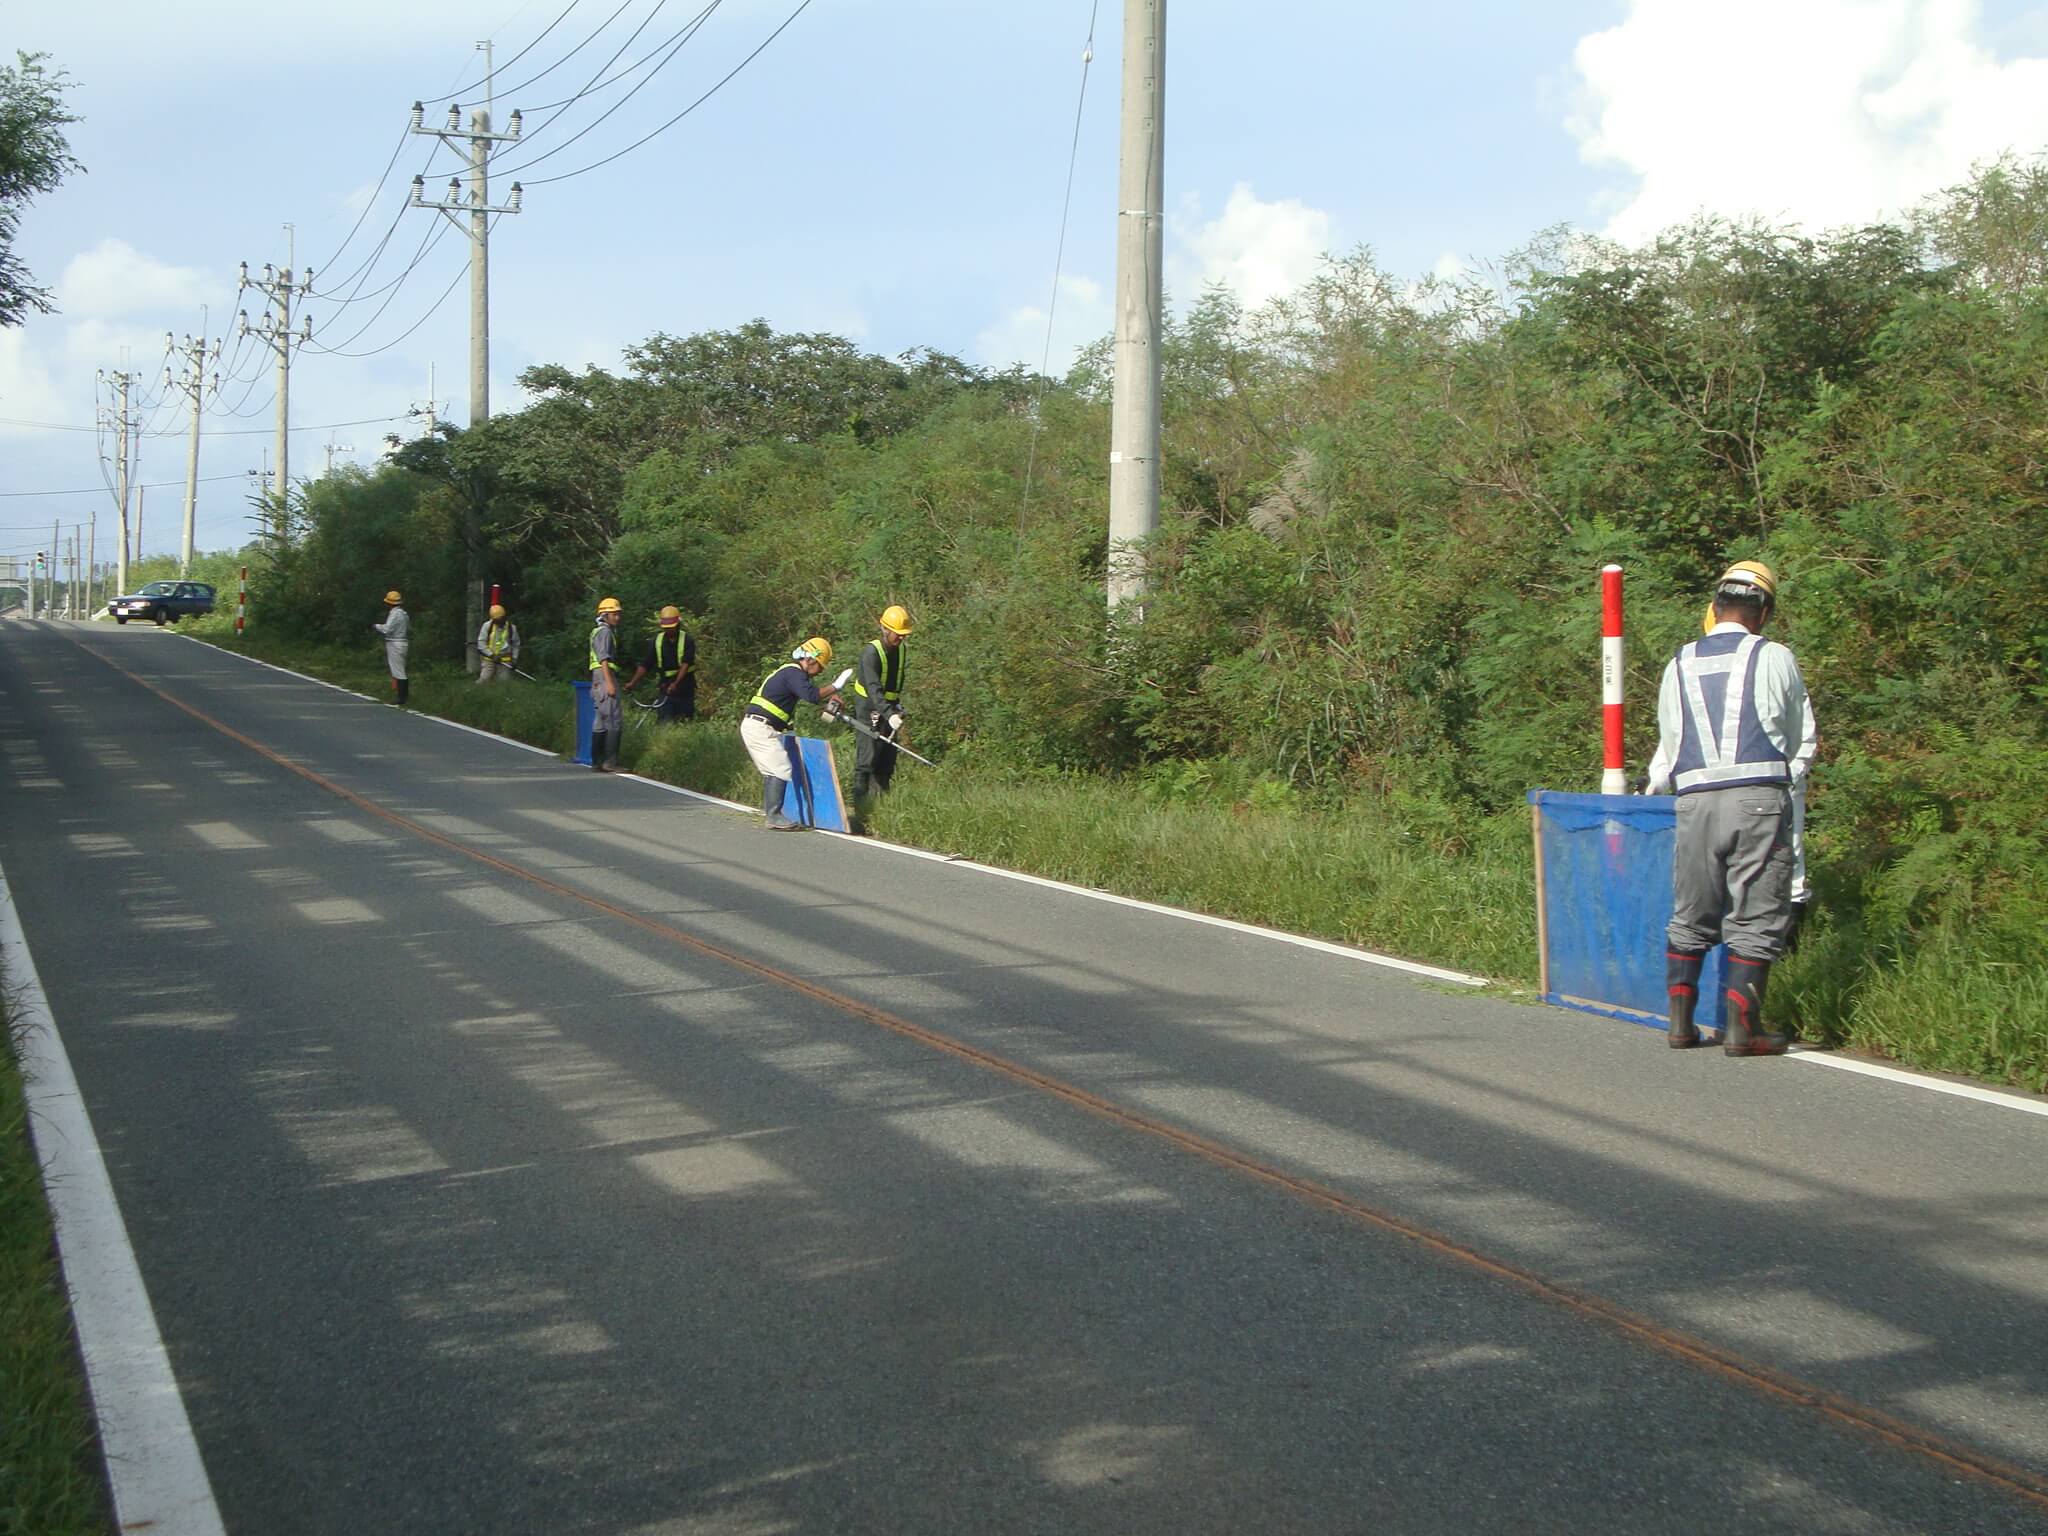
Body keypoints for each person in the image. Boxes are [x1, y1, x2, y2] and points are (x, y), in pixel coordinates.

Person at [1647, 561, 1817, 1055]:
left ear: (1715, 608)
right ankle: (1743, 1030)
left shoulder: (1677, 662)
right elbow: (1798, 737)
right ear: (1762, 613)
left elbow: (1671, 743)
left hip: (1695, 800)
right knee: (1758, 913)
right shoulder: (1776, 656)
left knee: (1692, 911)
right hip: (1758, 797)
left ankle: (1680, 1027)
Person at [741, 638, 843, 830]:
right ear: (811, 659)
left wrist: (829, 702)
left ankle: (773, 813)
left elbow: (807, 697)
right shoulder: (793, 672)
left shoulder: (790, 673)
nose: (820, 671)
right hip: (760, 727)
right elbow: (812, 695)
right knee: (781, 768)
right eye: (820, 666)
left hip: (759, 727)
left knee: (773, 771)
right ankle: (773, 816)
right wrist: (835, 687)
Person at [851, 605, 912, 810]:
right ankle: (860, 809)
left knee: (886, 759)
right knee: (867, 759)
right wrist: (888, 713)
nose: (901, 638)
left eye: (904, 635)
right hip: (869, 708)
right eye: (898, 634)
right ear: (885, 629)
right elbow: (874, 689)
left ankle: (882, 808)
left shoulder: (901, 649)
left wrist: (897, 710)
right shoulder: (871, 653)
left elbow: (895, 684)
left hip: (889, 709)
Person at [621, 605, 696, 722]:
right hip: (665, 688)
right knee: (664, 722)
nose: (668, 630)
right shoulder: (657, 641)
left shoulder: (688, 641)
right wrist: (632, 682)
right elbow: (646, 664)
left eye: (671, 627)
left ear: (678, 624)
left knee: (684, 722)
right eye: (666, 628)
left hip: (685, 689)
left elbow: (685, 664)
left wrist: (676, 683)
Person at [588, 596, 624, 772]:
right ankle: (610, 762)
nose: (617, 617)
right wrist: (610, 683)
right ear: (605, 615)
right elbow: (603, 658)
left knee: (601, 721)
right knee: (613, 719)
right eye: (614, 614)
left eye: (618, 614)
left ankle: (597, 761)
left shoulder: (599, 631)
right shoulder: (605, 632)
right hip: (604, 677)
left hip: (598, 679)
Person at [373, 589, 410, 707]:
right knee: (399, 669)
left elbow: (387, 629)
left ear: (389, 603)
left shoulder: (394, 614)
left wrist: (376, 626)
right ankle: (402, 696)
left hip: (395, 643)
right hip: (401, 642)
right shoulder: (404, 614)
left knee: (398, 671)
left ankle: (401, 698)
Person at [476, 603, 521, 683]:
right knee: (484, 680)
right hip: (489, 659)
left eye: (501, 619)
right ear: (493, 619)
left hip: (505, 660)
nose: (500, 622)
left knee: (504, 682)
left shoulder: (511, 628)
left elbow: (516, 645)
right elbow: (481, 644)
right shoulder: (487, 626)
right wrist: (492, 655)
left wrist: (514, 659)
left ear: (505, 617)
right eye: (497, 620)